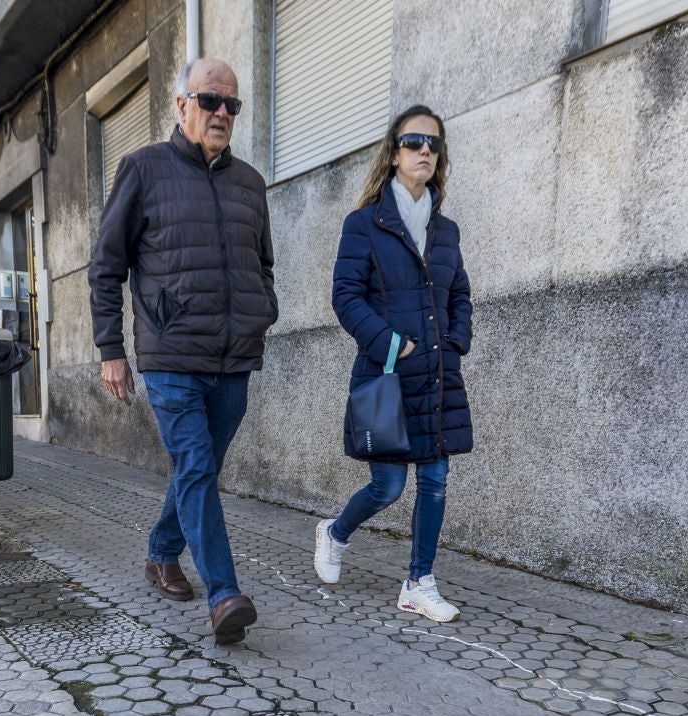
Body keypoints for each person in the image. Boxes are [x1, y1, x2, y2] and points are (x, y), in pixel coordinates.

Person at [90, 57, 277, 646]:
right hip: (171, 355)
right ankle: (225, 596)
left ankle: (161, 551)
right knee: (196, 467)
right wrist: (110, 349)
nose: (222, 113)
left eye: (232, 105)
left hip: (234, 358)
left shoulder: (250, 182)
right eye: (210, 101)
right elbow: (105, 265)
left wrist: (262, 310)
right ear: (181, 105)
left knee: (199, 468)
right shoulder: (142, 169)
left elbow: (262, 263)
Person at [314, 105, 472, 623]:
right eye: (414, 141)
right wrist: (391, 344)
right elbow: (345, 297)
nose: (425, 150)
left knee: (436, 479)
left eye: (433, 143)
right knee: (388, 486)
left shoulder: (445, 230)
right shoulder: (364, 225)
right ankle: (334, 532)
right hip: (386, 375)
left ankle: (419, 582)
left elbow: (460, 294)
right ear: (394, 152)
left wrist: (455, 341)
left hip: (437, 376)